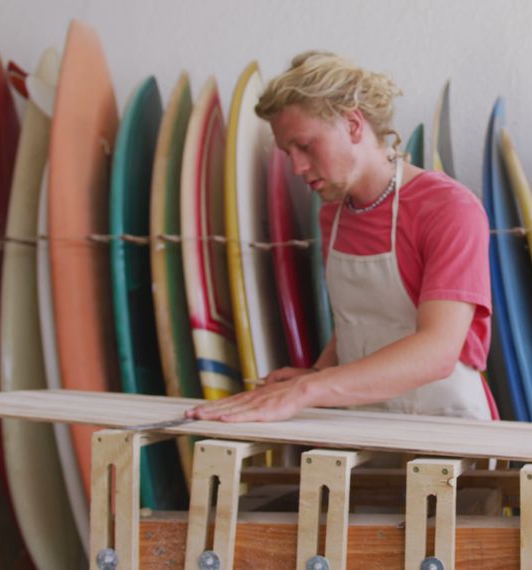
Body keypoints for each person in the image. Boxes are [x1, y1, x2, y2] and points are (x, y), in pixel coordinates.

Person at [187, 51, 497, 423]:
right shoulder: (333, 212)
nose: (297, 167)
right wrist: (317, 373)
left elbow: (438, 351)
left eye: (305, 146)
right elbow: (360, 320)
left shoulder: (448, 209)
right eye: (288, 153)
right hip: (364, 423)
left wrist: (309, 391)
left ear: (352, 125)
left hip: (447, 427)